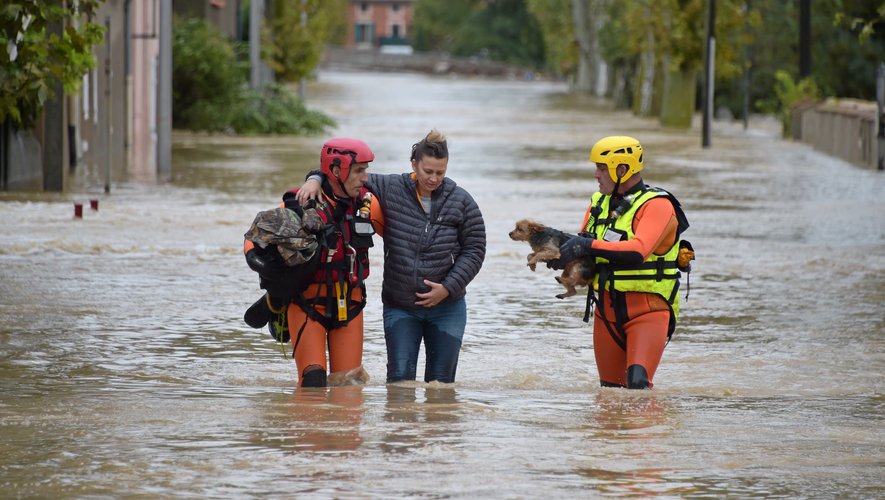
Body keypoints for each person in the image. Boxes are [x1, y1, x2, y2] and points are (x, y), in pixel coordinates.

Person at [297, 129, 486, 384]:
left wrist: (448, 288)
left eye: (440, 173)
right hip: (401, 308)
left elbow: (475, 249)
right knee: (399, 385)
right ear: (414, 165)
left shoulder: (462, 201)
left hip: (447, 308)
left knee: (441, 387)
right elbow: (344, 174)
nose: (433, 178)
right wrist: (313, 179)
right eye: (428, 171)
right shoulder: (390, 187)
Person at [553, 136, 692, 389]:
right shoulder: (598, 203)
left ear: (622, 169)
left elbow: (638, 251)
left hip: (648, 310)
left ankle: (652, 429)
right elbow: (586, 245)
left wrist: (586, 245)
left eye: (602, 168)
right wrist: (562, 255)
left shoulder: (658, 205)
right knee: (610, 395)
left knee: (637, 386)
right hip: (606, 311)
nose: (596, 174)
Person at [243, 138, 378, 388]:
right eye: (359, 170)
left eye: (365, 170)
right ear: (337, 171)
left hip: (350, 305)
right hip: (306, 304)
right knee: (312, 382)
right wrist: (256, 261)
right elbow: (254, 236)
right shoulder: (301, 202)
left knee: (348, 386)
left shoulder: (369, 205)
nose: (365, 177)